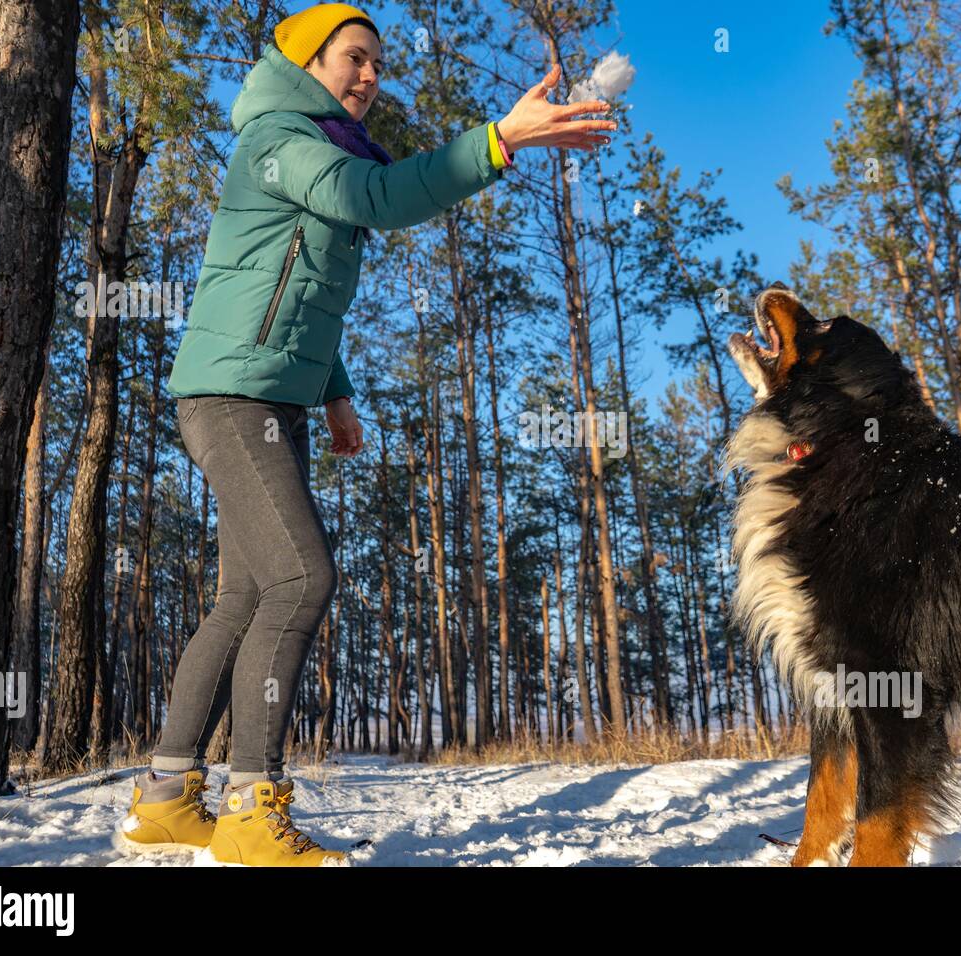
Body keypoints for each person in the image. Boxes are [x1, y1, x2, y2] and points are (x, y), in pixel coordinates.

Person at [115, 2, 616, 866]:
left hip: (271, 395)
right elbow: (375, 199)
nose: (372, 76)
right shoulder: (279, 139)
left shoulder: (316, 145)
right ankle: (250, 810)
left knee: (245, 597)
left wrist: (335, 392)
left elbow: (298, 295)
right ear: (309, 63)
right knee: (303, 578)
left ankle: (165, 799)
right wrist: (497, 141)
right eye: (355, 58)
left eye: (378, 62)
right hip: (234, 399)